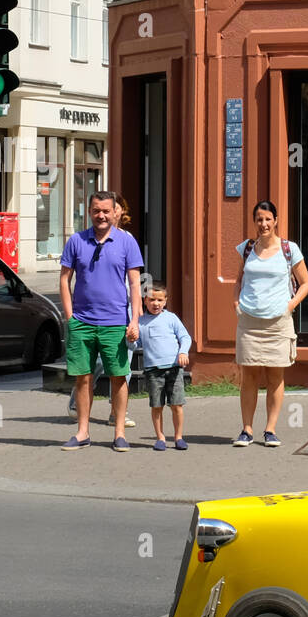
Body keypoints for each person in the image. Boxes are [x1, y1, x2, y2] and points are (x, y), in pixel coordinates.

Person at [60, 191, 144, 451]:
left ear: (114, 212)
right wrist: (70, 317)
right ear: (90, 212)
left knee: (119, 377)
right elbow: (65, 279)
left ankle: (119, 433)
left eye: (106, 210)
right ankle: (83, 432)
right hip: (82, 323)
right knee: (83, 378)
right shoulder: (76, 241)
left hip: (116, 323)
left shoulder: (126, 242)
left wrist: (135, 320)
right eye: (97, 210)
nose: (102, 215)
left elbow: (134, 283)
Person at [233, 200, 308, 447]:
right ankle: (246, 430)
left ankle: (270, 430)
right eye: (259, 219)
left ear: (275, 221)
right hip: (249, 321)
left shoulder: (290, 249)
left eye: (268, 219)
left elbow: (306, 283)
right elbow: (238, 279)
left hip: (278, 323)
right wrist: (236, 303)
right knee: (249, 376)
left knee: (275, 375)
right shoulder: (246, 249)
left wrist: (289, 306)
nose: (263, 224)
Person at [132, 280, 191, 450]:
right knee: (156, 406)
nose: (155, 303)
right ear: (145, 301)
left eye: (159, 300)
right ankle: (160, 438)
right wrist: (130, 340)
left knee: (176, 405)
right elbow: (136, 344)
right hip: (153, 371)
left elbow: (185, 337)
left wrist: (183, 352)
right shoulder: (141, 322)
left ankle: (178, 437)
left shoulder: (171, 318)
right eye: (151, 300)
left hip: (174, 368)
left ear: (165, 301)